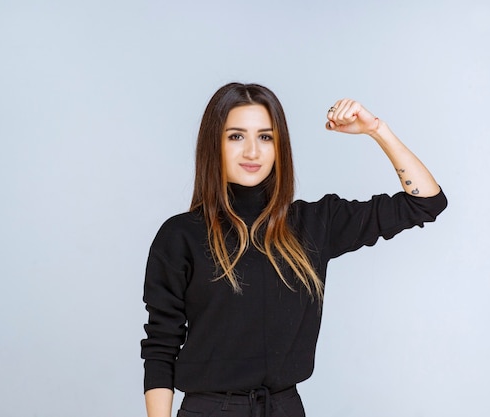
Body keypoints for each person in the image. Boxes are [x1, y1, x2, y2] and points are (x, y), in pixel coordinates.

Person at [141, 82, 447, 417]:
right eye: (236, 136)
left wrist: (377, 130)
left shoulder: (314, 223)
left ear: (279, 146)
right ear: (213, 144)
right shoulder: (181, 235)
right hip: (209, 409)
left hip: (285, 408)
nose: (252, 152)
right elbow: (161, 346)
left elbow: (427, 202)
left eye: (265, 137)